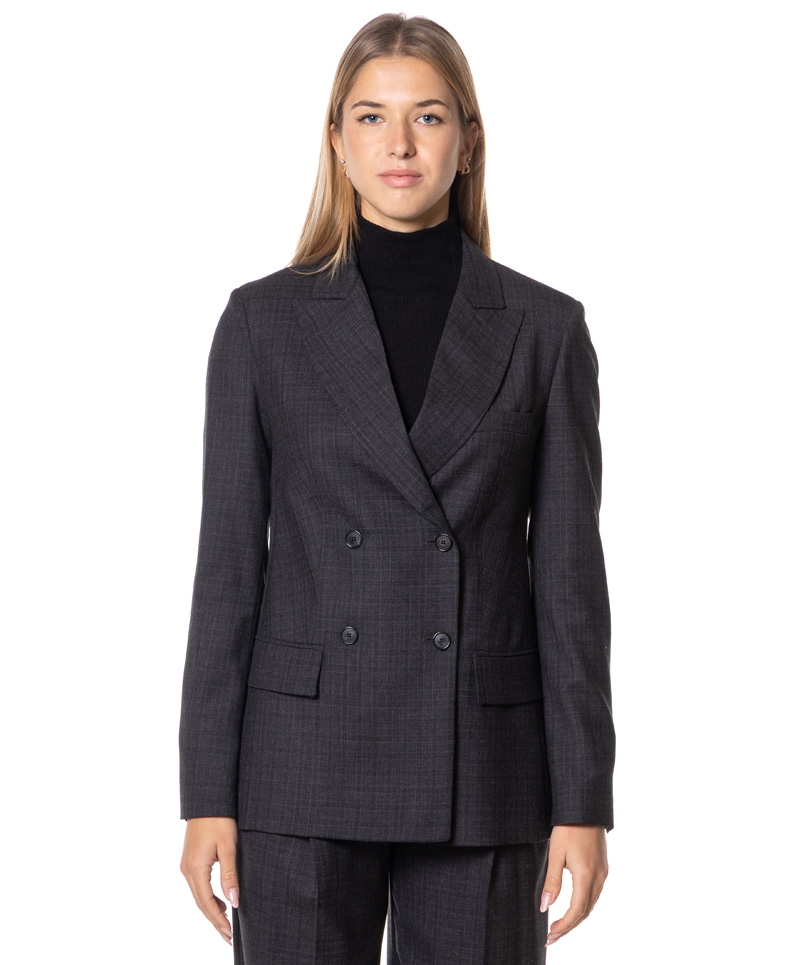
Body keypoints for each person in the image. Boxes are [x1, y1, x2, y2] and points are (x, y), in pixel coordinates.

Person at [178, 12, 615, 964]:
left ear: (469, 139)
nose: (400, 144)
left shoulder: (545, 329)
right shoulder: (261, 323)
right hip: (299, 761)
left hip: (484, 762)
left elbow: (570, 587)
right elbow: (227, 574)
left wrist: (584, 801)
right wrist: (206, 793)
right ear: (337, 140)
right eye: (372, 117)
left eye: (429, 116)